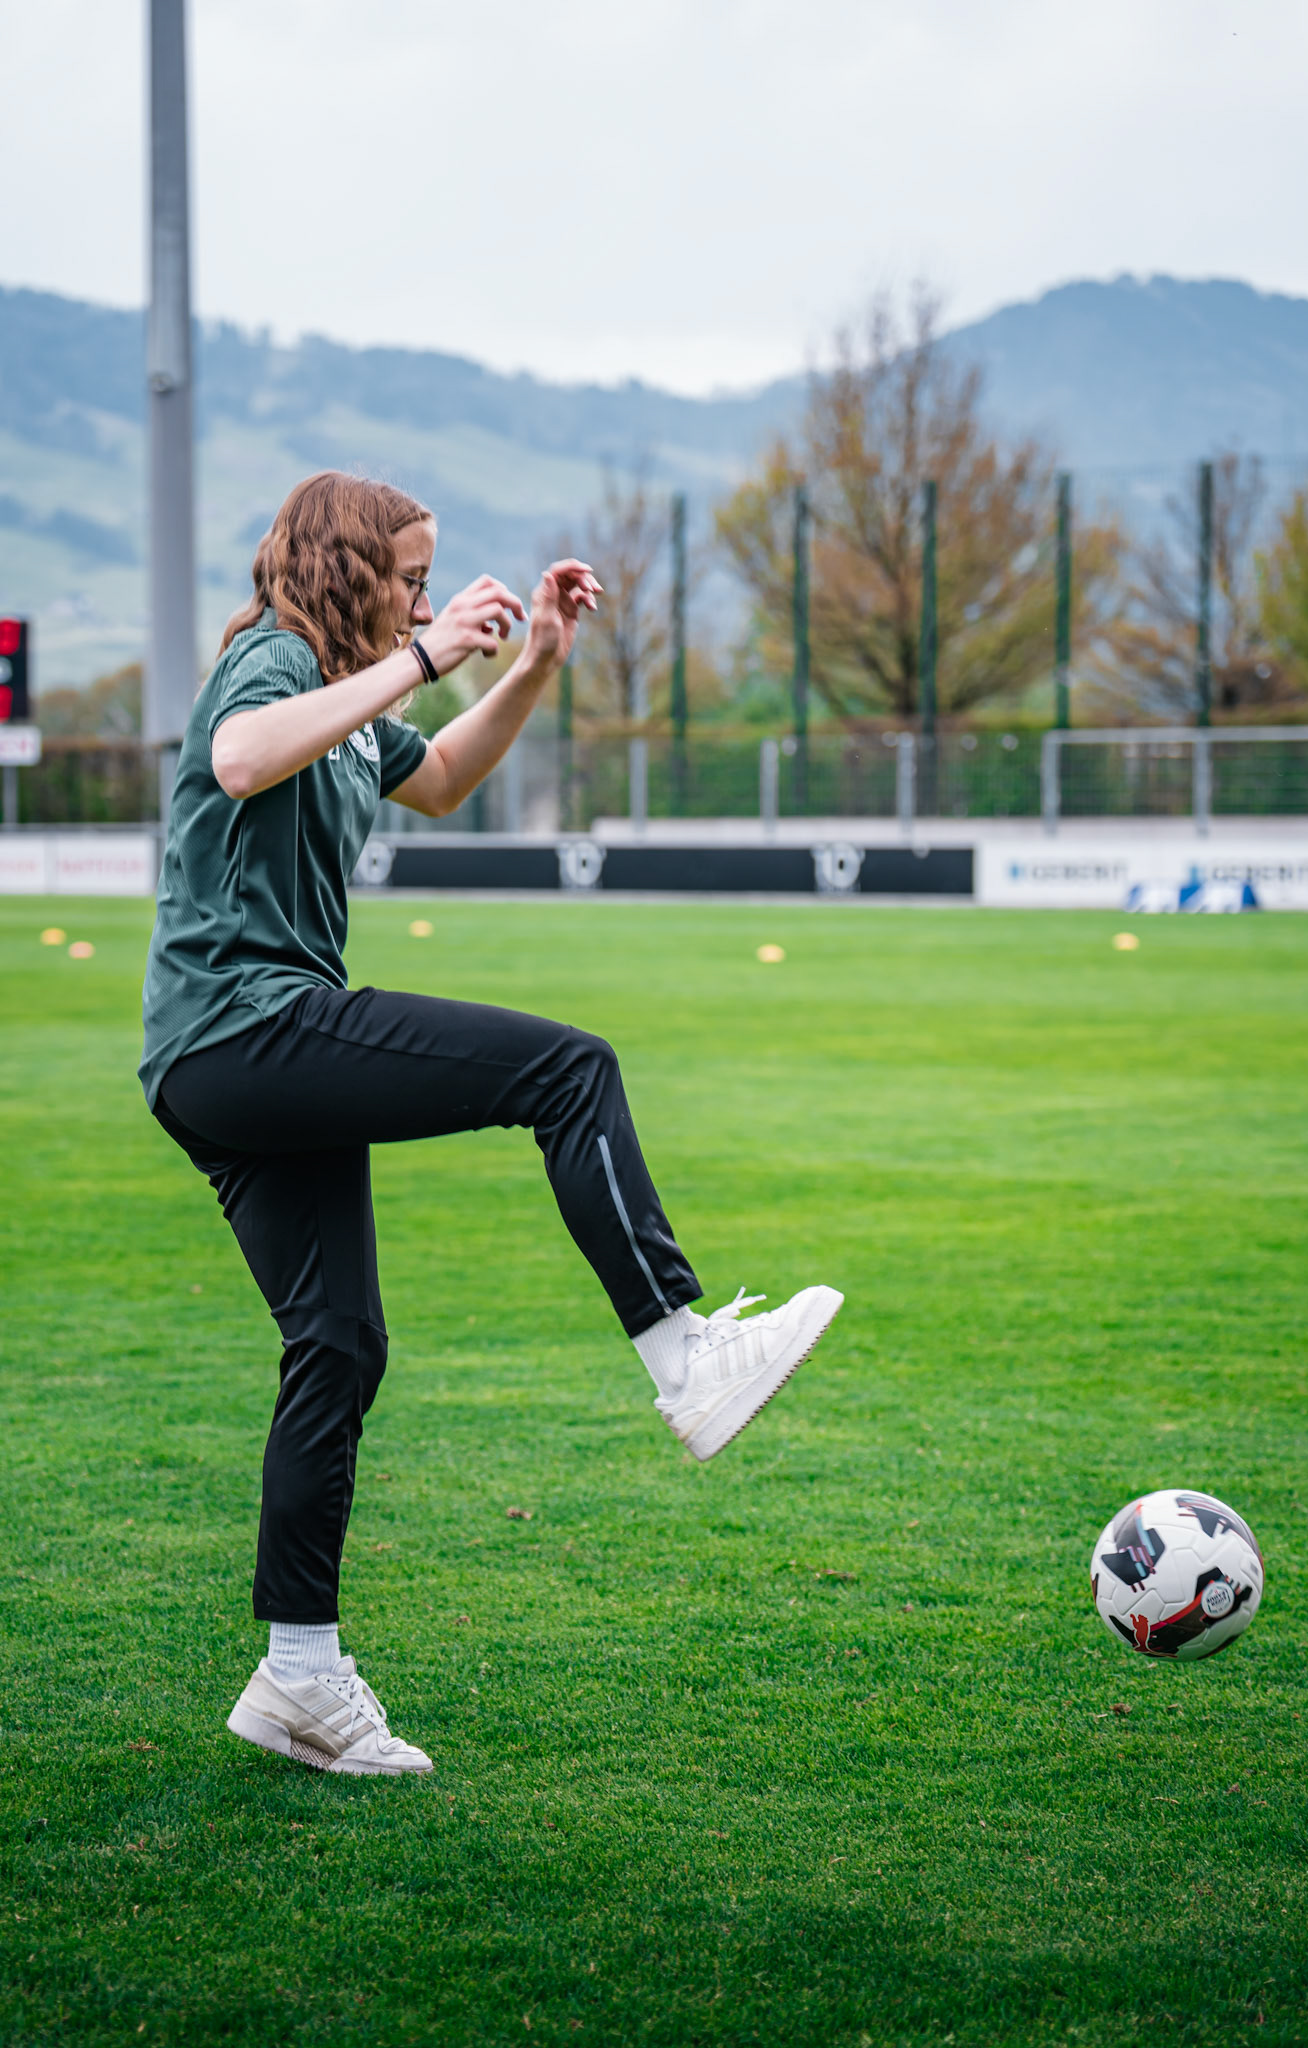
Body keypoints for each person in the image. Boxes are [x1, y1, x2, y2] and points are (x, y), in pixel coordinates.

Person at [140, 472, 842, 1777]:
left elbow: (447, 777)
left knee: (338, 1345)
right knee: (569, 1072)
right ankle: (683, 1355)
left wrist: (529, 664)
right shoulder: (275, 662)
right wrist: (417, 653)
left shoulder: (349, 708)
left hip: (235, 1052)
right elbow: (238, 759)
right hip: (242, 1029)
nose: (420, 595)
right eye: (407, 575)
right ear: (352, 572)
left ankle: (296, 1678)